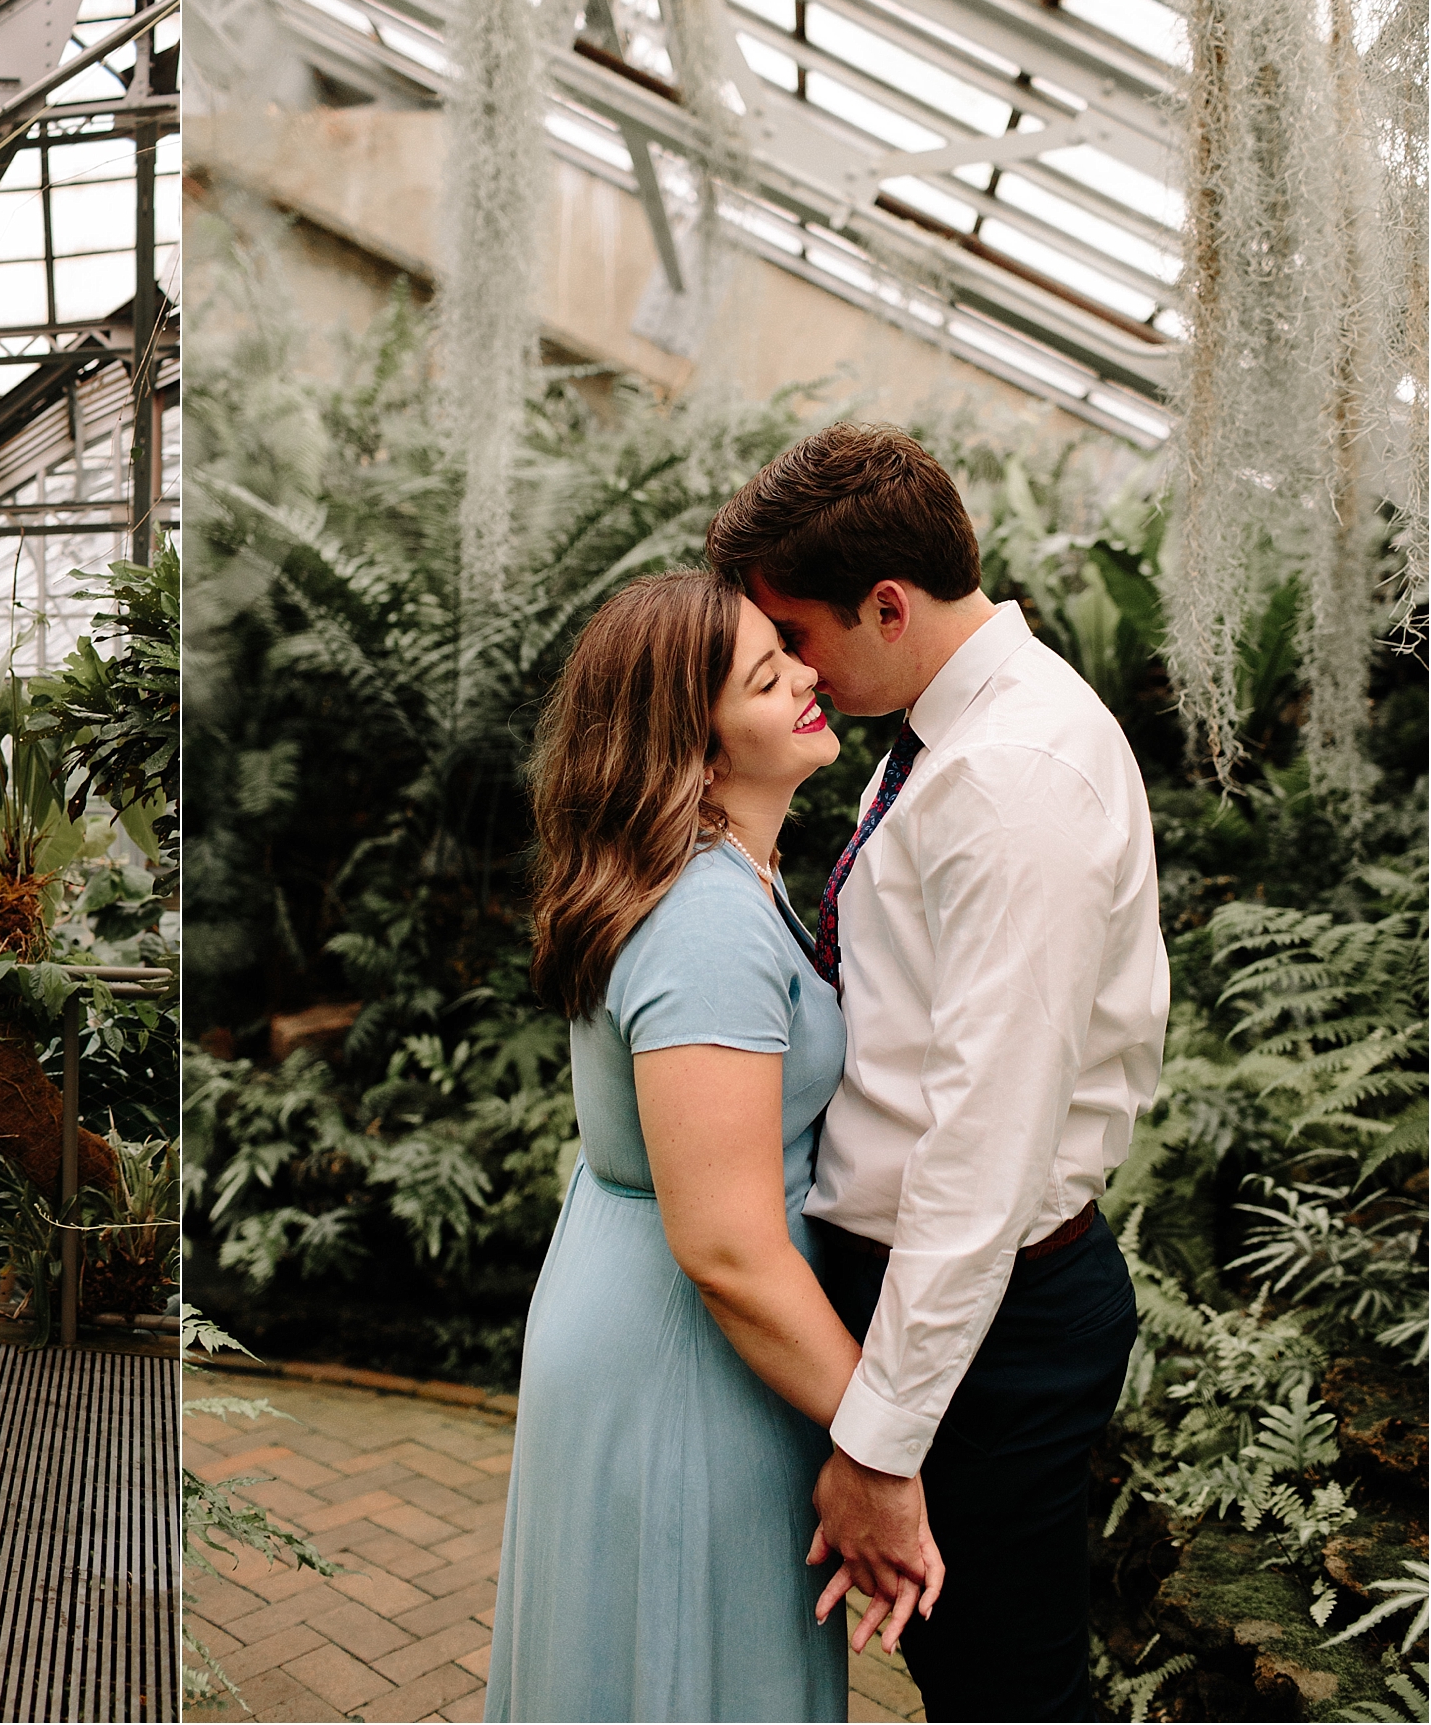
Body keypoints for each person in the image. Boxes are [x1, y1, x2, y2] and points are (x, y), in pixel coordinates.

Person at [706, 423, 1166, 1722]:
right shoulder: (937, 734)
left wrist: (880, 1436)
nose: (794, 667)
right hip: (940, 1301)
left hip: (988, 1320)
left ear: (889, 604)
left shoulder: (1012, 777)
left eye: (797, 633)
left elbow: (983, 1147)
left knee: (1007, 1693)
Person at [484, 571, 942, 1724]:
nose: (805, 675)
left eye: (785, 652)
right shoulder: (706, 922)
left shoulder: (722, 880)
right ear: (692, 752)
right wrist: (880, 1447)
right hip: (689, 1359)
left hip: (660, 1319)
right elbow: (729, 1247)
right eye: (764, 672)